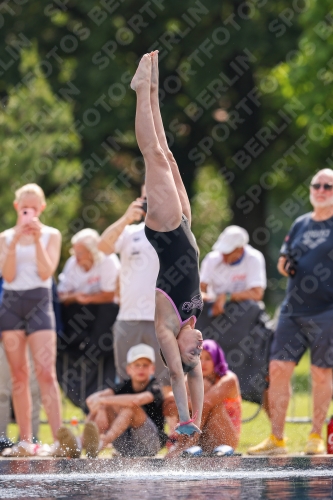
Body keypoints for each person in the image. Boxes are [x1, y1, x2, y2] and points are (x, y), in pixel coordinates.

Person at [130, 51, 204, 435]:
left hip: (165, 231)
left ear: (176, 345)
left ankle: (142, 91)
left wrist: (187, 421)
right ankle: (153, 89)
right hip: (185, 227)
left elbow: (181, 374)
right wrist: (200, 418)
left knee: (154, 156)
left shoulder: (167, 327)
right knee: (170, 158)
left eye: (194, 349)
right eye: (200, 349)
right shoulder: (193, 322)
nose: (201, 345)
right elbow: (197, 377)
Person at [248, 168, 333, 455]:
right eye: (316, 185)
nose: (320, 190)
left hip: (326, 310)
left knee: (321, 373)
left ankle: (315, 435)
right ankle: (277, 439)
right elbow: (284, 262)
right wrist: (287, 264)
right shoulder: (300, 224)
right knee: (277, 369)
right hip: (292, 309)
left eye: (328, 186)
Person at [0, 183, 62, 456]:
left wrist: (35, 238)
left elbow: (47, 271)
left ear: (41, 209)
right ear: (17, 207)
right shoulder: (4, 237)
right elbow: (9, 276)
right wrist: (15, 240)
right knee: (19, 374)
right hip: (12, 303)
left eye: (34, 209)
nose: (29, 213)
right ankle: (25, 440)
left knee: (46, 372)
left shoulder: (51, 235)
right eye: (24, 208)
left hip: (40, 300)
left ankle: (61, 440)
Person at [98, 188, 169, 387]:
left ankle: (167, 419)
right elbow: (103, 247)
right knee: (125, 380)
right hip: (128, 317)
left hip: (162, 319)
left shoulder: (175, 232)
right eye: (147, 198)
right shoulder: (129, 232)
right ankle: (131, 418)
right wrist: (126, 218)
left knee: (165, 382)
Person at [56, 344, 166, 458]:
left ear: (152, 369)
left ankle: (100, 445)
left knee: (130, 408)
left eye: (145, 365)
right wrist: (103, 408)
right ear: (129, 369)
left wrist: (103, 401)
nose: (141, 369)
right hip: (125, 445)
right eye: (137, 365)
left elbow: (137, 400)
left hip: (150, 445)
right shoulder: (123, 386)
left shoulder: (155, 387)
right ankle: (79, 444)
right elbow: (91, 400)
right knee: (103, 406)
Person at [164, 339, 241, 457]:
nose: (203, 363)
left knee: (207, 400)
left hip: (224, 439)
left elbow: (206, 404)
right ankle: (184, 445)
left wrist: (181, 401)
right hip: (202, 436)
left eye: (208, 359)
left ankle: (185, 446)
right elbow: (169, 404)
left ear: (216, 359)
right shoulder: (191, 378)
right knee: (196, 392)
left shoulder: (228, 379)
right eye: (199, 358)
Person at [200, 225, 266, 315]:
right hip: (214, 305)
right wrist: (205, 297)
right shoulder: (212, 259)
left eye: (228, 252)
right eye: (223, 251)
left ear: (240, 249)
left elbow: (257, 294)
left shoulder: (254, 258)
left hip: (242, 309)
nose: (224, 255)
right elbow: (201, 288)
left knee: (253, 306)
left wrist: (226, 296)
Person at [58, 228, 120, 308]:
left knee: (108, 308)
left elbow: (109, 296)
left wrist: (88, 298)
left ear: (92, 252)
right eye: (74, 252)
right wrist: (75, 297)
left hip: (105, 307)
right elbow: (60, 295)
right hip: (77, 306)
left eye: (79, 253)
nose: (76, 257)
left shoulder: (108, 260)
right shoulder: (72, 262)